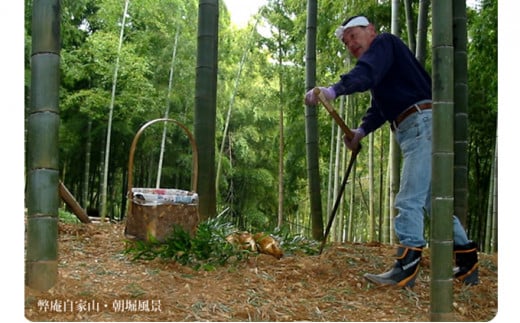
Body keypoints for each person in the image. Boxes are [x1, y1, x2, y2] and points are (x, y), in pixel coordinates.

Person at [305, 15, 479, 288]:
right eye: (346, 41)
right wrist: (359, 133)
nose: (350, 43)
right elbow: (379, 109)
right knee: (435, 202)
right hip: (422, 125)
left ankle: (406, 266)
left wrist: (334, 90)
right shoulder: (385, 69)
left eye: (353, 35)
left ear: (371, 30)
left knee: (408, 198)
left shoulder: (385, 43)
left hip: (421, 123)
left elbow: (367, 73)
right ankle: (468, 261)